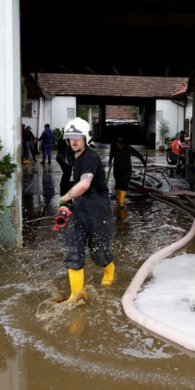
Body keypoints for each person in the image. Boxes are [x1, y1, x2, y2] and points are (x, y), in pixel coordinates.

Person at [58, 117, 115, 302]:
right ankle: (76, 295)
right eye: (71, 137)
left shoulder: (90, 157)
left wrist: (64, 198)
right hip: (79, 209)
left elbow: (84, 184)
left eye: (78, 137)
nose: (74, 141)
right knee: (73, 250)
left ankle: (109, 273)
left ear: (86, 138)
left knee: (99, 253)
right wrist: (69, 205)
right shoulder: (76, 158)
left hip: (98, 211)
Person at [107, 135, 147, 208]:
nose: (120, 142)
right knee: (118, 183)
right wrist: (110, 161)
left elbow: (138, 154)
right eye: (119, 140)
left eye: (121, 140)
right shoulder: (113, 146)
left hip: (126, 168)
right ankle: (118, 199)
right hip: (117, 168)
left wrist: (144, 163)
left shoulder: (127, 147)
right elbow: (111, 155)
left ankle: (121, 202)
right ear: (117, 141)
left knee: (124, 183)